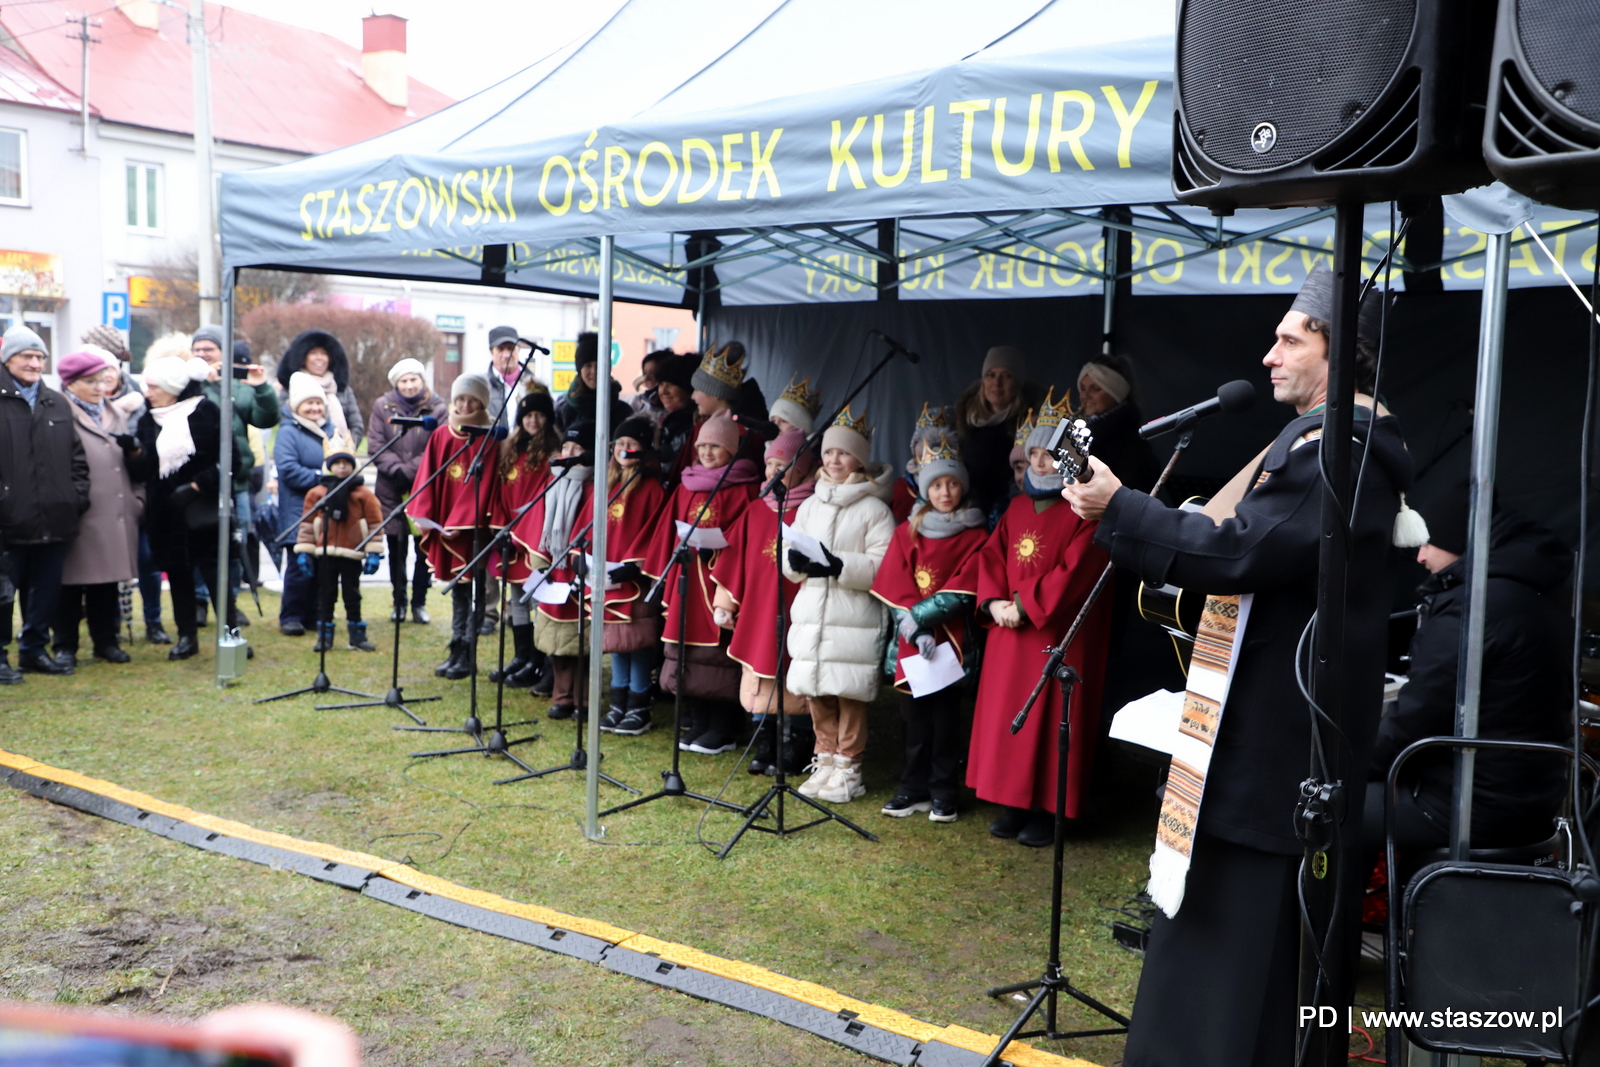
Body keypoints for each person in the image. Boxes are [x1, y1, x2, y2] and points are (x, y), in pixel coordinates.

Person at [1060, 262, 1413, 1067]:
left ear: (1338, 348)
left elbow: (1243, 547)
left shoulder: (1343, 446)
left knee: (1239, 978)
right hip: (1263, 752)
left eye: (1290, 338)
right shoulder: (1325, 440)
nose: (1269, 355)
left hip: (1274, 759)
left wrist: (1121, 506)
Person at [1365, 492, 1573, 854]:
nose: (1421, 556)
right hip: (1531, 799)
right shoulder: (1533, 591)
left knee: (1323, 806)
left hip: (1469, 806)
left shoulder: (1475, 608)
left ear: (1458, 541)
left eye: (1428, 543)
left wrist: (1354, 767)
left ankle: (1351, 912)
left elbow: (1418, 714)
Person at [968, 389, 1112, 847]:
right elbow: (989, 558)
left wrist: (1025, 606)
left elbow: (1077, 572)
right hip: (1009, 630)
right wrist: (994, 604)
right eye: (1034, 454)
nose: (1041, 464)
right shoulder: (1014, 508)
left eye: (1050, 456)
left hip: (1056, 632)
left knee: (1052, 721)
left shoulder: (1086, 513)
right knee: (1010, 716)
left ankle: (1050, 811)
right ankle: (1013, 801)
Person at [871, 434, 988, 823]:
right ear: (925, 488)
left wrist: (922, 617)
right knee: (914, 720)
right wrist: (915, 628)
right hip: (914, 645)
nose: (945, 491)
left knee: (945, 721)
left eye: (952, 483)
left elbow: (966, 586)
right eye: (936, 484)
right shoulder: (907, 532)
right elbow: (895, 581)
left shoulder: (976, 535)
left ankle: (943, 791)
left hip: (952, 642)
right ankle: (912, 788)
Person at [783, 406, 896, 805]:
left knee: (848, 693)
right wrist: (793, 562)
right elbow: (790, 548)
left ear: (859, 459)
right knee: (817, 691)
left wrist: (840, 565)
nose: (833, 460)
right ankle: (825, 758)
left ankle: (849, 767)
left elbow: (884, 567)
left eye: (843, 454)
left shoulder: (875, 510)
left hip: (854, 616)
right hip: (814, 613)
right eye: (829, 453)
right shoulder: (810, 505)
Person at [644, 411, 761, 753]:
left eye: (716, 446)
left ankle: (722, 728)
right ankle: (697, 721)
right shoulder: (686, 485)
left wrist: (720, 544)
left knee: (718, 655)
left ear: (733, 450)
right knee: (688, 653)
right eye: (703, 445)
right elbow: (667, 532)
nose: (708, 452)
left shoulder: (744, 489)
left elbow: (747, 536)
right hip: (688, 583)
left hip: (719, 584)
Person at [710, 428, 819, 774]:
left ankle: (797, 742)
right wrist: (724, 602)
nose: (774, 472)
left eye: (783, 465)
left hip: (796, 606)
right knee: (759, 669)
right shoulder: (756, 510)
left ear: (801, 470)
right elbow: (735, 559)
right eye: (770, 464)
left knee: (794, 672)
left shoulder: (811, 511)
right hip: (759, 609)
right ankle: (765, 739)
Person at [135, 354, 241, 661]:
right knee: (178, 574)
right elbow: (146, 470)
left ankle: (231, 634)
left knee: (215, 574)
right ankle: (186, 637)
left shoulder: (205, 411)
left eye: (153, 386)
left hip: (203, 509)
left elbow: (230, 458)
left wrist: (196, 486)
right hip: (165, 512)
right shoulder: (147, 418)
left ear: (172, 387)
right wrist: (134, 455)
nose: (147, 392)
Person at [0, 325, 90, 680]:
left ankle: (34, 651)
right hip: (8, 520)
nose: (35, 363)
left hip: (55, 518)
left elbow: (77, 458)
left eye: (40, 357)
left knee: (45, 593)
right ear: (8, 360)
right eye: (27, 356)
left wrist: (74, 498)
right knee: (3, 597)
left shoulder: (56, 402)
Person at [406, 373, 502, 680]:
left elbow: (486, 485)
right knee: (458, 591)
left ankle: (468, 650)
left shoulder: (490, 437)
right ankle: (457, 644)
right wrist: (428, 517)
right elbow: (428, 477)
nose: (464, 404)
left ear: (481, 403)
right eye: (460, 399)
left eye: (471, 400)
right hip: (445, 525)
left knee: (474, 590)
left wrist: (462, 521)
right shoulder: (442, 434)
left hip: (472, 527)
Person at [52, 348, 143, 668]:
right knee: (70, 582)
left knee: (107, 580)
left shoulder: (114, 412)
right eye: (89, 382)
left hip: (116, 510)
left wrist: (137, 500)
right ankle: (64, 645)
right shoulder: (58, 412)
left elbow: (130, 460)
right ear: (70, 384)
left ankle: (107, 641)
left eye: (101, 381)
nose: (98, 388)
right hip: (79, 511)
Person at [193, 325, 279, 627]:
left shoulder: (239, 387)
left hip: (238, 483)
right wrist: (201, 383)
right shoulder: (190, 384)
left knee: (235, 545)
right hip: (202, 482)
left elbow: (267, 417)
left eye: (209, 349)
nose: (203, 354)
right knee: (202, 545)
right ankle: (200, 602)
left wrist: (262, 387)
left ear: (223, 353)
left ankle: (229, 603)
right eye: (198, 349)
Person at [591, 415, 669, 734]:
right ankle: (617, 703)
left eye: (631, 444)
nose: (624, 449)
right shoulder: (607, 485)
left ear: (643, 450)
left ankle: (639, 707)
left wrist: (633, 565)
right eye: (620, 443)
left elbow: (655, 532)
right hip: (607, 576)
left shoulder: (651, 489)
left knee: (636, 642)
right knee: (615, 641)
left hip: (633, 578)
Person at [368, 357, 449, 624]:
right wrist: (398, 470)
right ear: (397, 384)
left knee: (423, 546)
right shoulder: (382, 406)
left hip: (425, 486)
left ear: (422, 380)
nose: (409, 385)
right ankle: (399, 602)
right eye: (404, 380)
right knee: (396, 548)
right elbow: (376, 444)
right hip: (391, 487)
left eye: (414, 379)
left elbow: (440, 445)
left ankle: (419, 603)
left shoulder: (437, 408)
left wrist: (413, 469)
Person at [492, 390, 560, 691]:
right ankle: (522, 657)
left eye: (539, 415)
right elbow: (502, 491)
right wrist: (502, 527)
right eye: (528, 415)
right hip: (510, 531)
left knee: (537, 599)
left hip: (534, 536)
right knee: (517, 597)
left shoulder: (551, 453)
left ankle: (539, 660)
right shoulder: (510, 448)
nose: (533, 420)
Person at [293, 431, 384, 653]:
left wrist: (373, 552)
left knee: (352, 594)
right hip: (325, 552)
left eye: (346, 463)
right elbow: (307, 523)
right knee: (326, 594)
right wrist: (305, 550)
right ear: (329, 465)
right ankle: (325, 637)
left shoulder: (363, 494)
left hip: (351, 552)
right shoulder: (317, 493)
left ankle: (357, 636)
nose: (342, 467)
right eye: (337, 463)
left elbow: (375, 523)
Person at [528, 423, 595, 719]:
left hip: (578, 568)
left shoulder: (593, 487)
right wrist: (541, 563)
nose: (569, 454)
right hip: (555, 570)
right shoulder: (551, 483)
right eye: (566, 448)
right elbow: (537, 525)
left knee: (580, 636)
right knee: (556, 637)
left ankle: (583, 699)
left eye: (577, 449)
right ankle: (562, 695)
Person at [273, 372, 339, 637]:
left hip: (327, 513)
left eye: (318, 403)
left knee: (322, 567)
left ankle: (315, 615)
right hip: (298, 512)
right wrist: (322, 479)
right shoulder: (288, 432)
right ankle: (291, 616)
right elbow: (288, 469)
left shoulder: (331, 431)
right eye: (308, 404)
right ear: (296, 406)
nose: (314, 408)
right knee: (299, 568)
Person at [953, 345, 1047, 520]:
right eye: (991, 375)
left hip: (1013, 513)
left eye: (1007, 376)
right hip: (970, 513)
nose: (997, 382)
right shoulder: (963, 420)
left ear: (1017, 383)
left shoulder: (1032, 422)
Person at [274, 329, 363, 444]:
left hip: (339, 454)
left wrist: (347, 448)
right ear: (303, 358)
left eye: (324, 353)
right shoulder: (292, 387)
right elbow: (284, 420)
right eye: (313, 353)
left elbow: (356, 425)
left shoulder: (342, 389)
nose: (319, 358)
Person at [555, 331, 632, 434]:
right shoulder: (563, 411)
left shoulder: (623, 411)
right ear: (579, 369)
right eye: (588, 365)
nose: (594, 372)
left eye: (599, 365)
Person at [893, 403, 949, 523]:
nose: (927, 448)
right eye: (922, 442)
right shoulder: (899, 493)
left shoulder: (956, 492)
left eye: (935, 444)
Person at [654, 353, 699, 483]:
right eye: (661, 384)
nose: (663, 391)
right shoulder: (659, 418)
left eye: (671, 384)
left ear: (688, 389)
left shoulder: (688, 424)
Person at [485, 325, 530, 429]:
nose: (506, 355)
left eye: (511, 348)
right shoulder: (483, 387)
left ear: (518, 350)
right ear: (491, 352)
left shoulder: (533, 385)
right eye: (500, 349)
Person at [629, 348, 673, 419]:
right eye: (645, 373)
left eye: (653, 373)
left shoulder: (670, 408)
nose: (646, 379)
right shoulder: (637, 402)